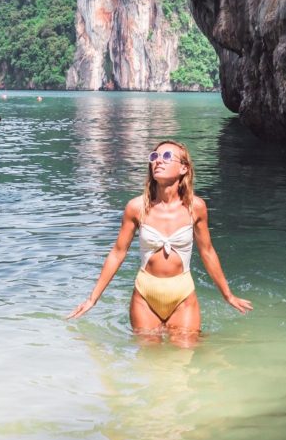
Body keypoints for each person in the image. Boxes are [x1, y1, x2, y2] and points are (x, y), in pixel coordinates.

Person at [67, 139, 253, 334]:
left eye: (166, 156)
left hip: (182, 293)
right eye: (154, 156)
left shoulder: (196, 207)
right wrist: (92, 299)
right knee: (149, 359)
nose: (158, 161)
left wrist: (228, 295)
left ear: (183, 168)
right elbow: (117, 253)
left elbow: (207, 252)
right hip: (145, 295)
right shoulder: (136, 207)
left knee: (185, 354)